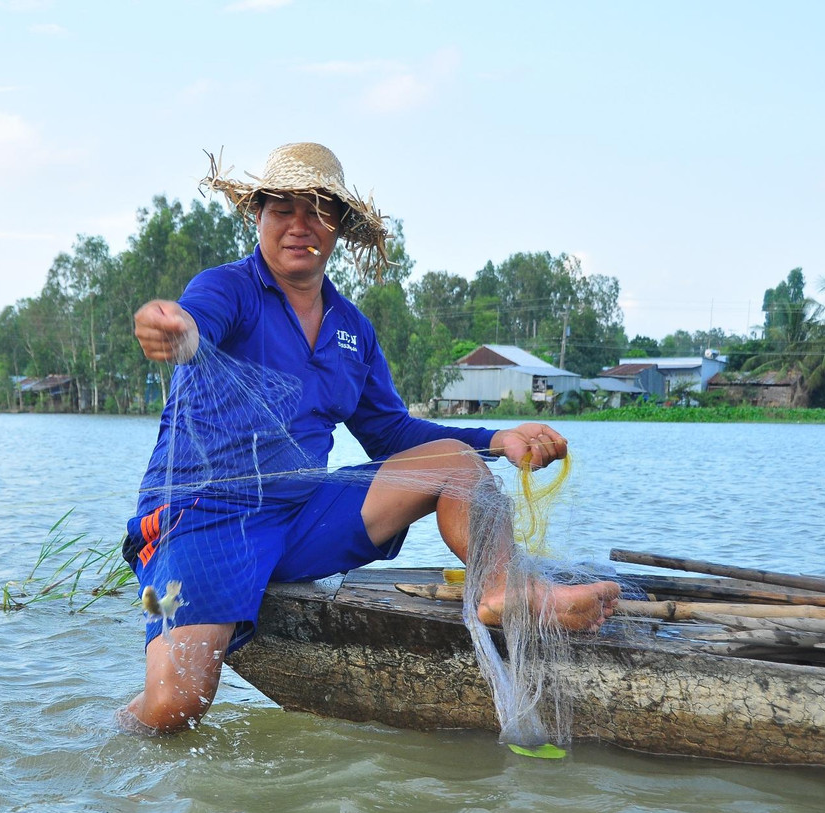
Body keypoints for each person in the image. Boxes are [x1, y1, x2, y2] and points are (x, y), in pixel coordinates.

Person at [119, 142, 619, 734]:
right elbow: (194, 322)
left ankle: (501, 590)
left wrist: (499, 437)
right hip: (204, 517)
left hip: (300, 512)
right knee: (178, 706)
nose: (299, 226)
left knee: (455, 464)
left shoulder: (352, 329)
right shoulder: (229, 289)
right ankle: (106, 743)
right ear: (259, 216)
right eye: (283, 209)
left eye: (318, 211)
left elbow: (392, 435)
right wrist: (174, 329)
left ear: (340, 228)